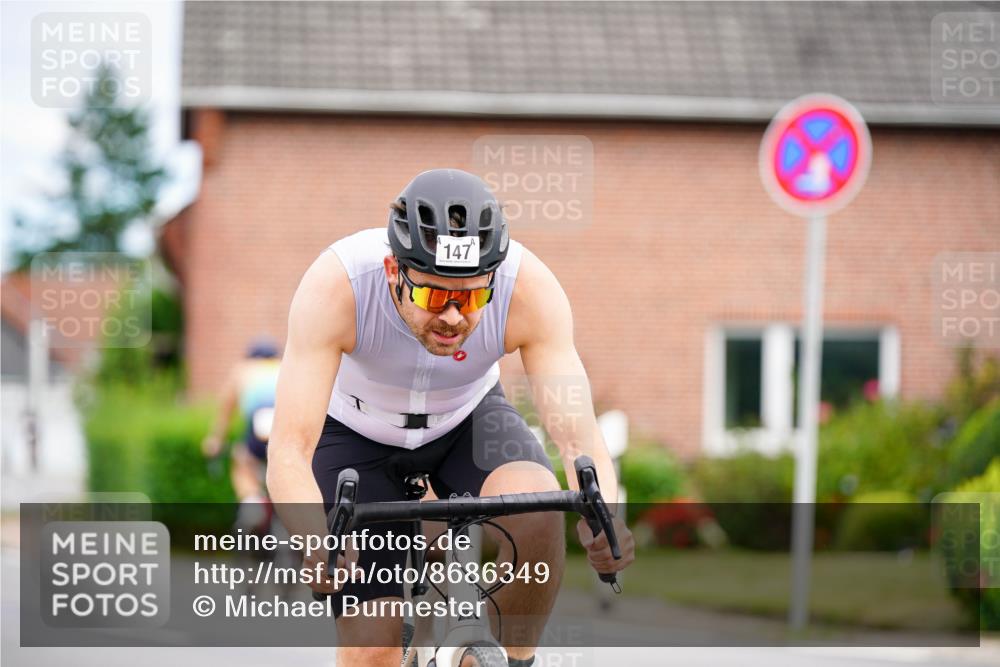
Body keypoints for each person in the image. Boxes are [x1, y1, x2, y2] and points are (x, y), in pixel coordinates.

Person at [266, 169, 635, 667]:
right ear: (394, 272)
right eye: (436, 296)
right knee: (373, 646)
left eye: (472, 297)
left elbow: (578, 437)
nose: (454, 318)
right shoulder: (339, 285)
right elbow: (289, 449)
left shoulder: (529, 290)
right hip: (354, 433)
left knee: (539, 515)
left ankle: (508, 659)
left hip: (467, 417)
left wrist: (605, 518)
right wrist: (314, 536)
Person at [202, 337, 281, 530]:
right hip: (281, 426)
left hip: (256, 428)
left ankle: (252, 501)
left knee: (243, 462)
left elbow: (226, 411)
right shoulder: (285, 366)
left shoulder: (242, 370)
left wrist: (215, 440)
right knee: (287, 468)